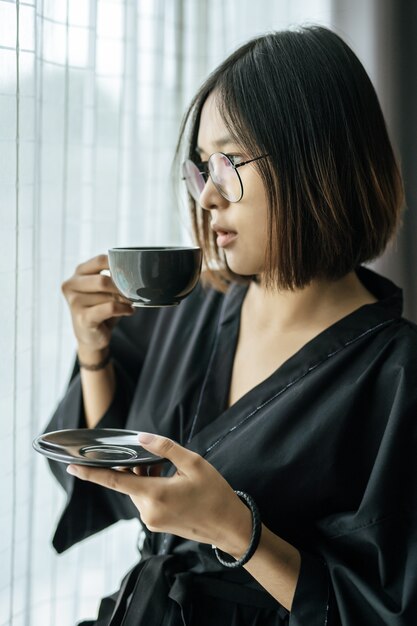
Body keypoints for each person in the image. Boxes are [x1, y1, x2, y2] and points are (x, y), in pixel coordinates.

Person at [45, 25, 417, 626]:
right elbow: (114, 488)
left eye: (231, 161)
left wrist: (238, 532)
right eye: (201, 169)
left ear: (319, 160)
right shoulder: (192, 310)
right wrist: (94, 355)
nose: (208, 197)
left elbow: (387, 609)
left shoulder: (396, 377)